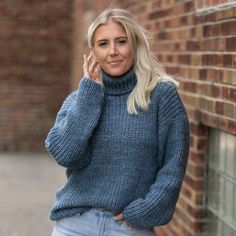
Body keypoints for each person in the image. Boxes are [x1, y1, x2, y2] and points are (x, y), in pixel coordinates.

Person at [45, 8, 190, 236]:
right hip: (74, 225)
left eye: (121, 42)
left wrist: (145, 212)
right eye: (103, 44)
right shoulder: (80, 100)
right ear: (92, 52)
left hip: (129, 227)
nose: (112, 51)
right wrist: (90, 94)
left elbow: (173, 166)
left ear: (134, 45)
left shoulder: (161, 96)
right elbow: (65, 154)